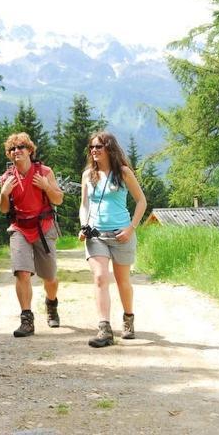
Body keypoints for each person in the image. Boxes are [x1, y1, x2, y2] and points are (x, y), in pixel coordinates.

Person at [78, 131, 147, 348]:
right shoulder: (88, 175)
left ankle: (128, 318)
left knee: (122, 281)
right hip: (96, 235)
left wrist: (131, 228)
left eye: (99, 147)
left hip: (121, 234)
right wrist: (84, 226)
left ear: (109, 148)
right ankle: (104, 329)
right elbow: (84, 205)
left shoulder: (123, 173)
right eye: (92, 147)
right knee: (100, 278)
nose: (94, 151)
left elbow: (141, 201)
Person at [0, 132, 64, 337]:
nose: (17, 151)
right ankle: (26, 319)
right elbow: (3, 208)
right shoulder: (7, 178)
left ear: (30, 151)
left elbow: (58, 199)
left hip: (43, 228)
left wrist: (45, 186)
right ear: (9, 155)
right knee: (22, 272)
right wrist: (4, 193)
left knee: (50, 277)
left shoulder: (44, 171)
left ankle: (51, 304)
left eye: (21, 148)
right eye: (12, 149)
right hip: (19, 228)